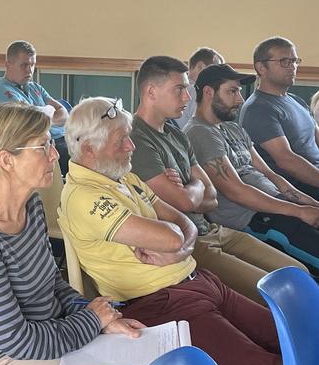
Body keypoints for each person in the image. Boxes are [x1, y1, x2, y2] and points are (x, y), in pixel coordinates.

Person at [60, 96, 288, 365]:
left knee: (287, 336)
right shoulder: (84, 197)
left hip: (199, 283)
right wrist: (177, 240)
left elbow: (184, 224)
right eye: (121, 140)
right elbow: (172, 232)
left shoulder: (123, 177)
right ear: (88, 151)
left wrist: (179, 249)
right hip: (164, 305)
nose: (131, 147)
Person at [0, 102, 152, 365]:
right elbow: (18, 341)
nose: (55, 153)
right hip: (5, 364)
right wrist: (91, 322)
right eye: (43, 146)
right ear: (6, 160)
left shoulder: (30, 206)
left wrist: (97, 316)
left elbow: (52, 284)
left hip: (52, 336)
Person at [131, 56, 306, 304]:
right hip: (188, 243)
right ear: (151, 91)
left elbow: (211, 198)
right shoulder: (137, 139)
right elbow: (183, 202)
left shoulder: (176, 135)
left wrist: (191, 188)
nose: (187, 98)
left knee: (298, 274)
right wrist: (193, 189)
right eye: (179, 89)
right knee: (278, 294)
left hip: (214, 231)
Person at [183, 63, 319, 269]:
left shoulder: (233, 128)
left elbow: (269, 173)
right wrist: (298, 212)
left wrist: (310, 205)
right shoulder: (199, 133)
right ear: (209, 92)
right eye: (232, 91)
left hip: (280, 207)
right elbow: (237, 192)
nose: (240, 99)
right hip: (255, 221)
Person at [239, 36, 319, 200]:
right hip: (296, 188)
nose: (292, 67)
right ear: (261, 67)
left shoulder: (295, 100)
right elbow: (286, 161)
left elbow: (316, 137)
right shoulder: (257, 108)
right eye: (284, 61)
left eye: (294, 60)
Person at [0, 40, 69, 176]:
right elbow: (28, 123)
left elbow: (63, 113)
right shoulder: (2, 91)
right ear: (8, 65)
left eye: (32, 65)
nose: (29, 70)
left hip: (60, 140)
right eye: (24, 65)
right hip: (40, 148)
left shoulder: (34, 87)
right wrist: (48, 114)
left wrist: (43, 118)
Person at [175, 47, 223, 129]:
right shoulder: (196, 92)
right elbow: (204, 128)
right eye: (216, 70)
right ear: (200, 66)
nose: (219, 76)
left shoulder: (177, 87)